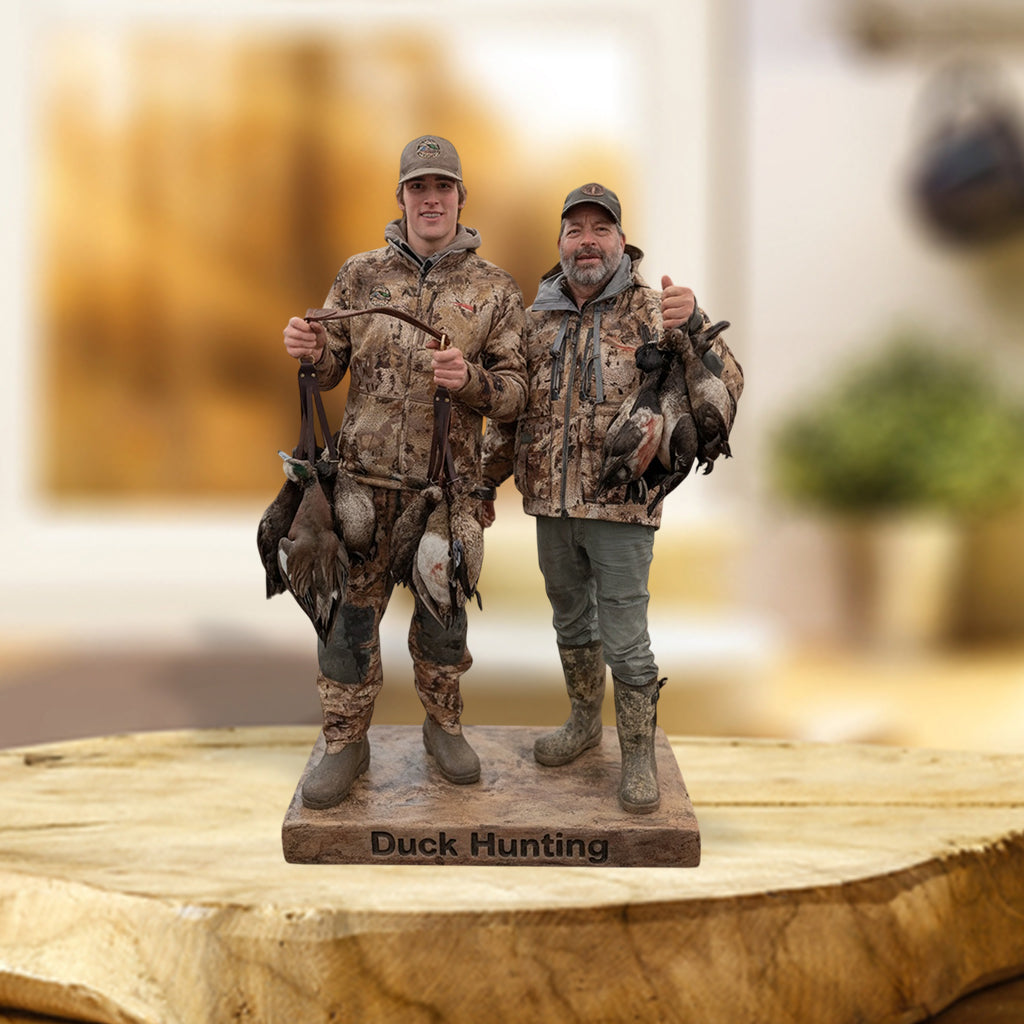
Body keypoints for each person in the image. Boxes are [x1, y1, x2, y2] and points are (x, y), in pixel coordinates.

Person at [282, 135, 527, 809]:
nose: (431, 199)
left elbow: (516, 394)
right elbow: (329, 367)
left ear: (461, 197)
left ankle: (443, 727)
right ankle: (344, 741)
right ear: (401, 197)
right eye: (419, 187)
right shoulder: (359, 276)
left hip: (444, 493)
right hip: (361, 487)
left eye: (443, 186)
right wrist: (309, 350)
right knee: (345, 625)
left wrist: (470, 379)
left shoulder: (496, 290)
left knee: (444, 623)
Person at [481, 182, 742, 813]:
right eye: (576, 230)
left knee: (626, 637)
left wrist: (696, 325)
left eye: (601, 229)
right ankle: (581, 724)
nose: (588, 241)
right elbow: (512, 414)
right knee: (571, 620)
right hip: (550, 506)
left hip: (622, 507)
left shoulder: (657, 311)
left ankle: (638, 757)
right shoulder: (534, 320)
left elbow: (728, 381)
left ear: (622, 241)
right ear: (560, 242)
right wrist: (482, 483)